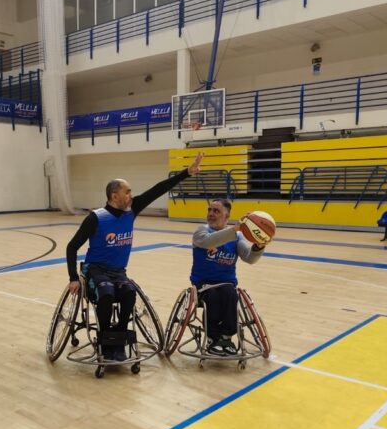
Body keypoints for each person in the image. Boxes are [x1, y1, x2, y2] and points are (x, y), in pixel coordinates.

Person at [66, 152, 203, 361]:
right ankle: (105, 340)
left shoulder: (132, 210)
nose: (131, 195)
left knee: (130, 293)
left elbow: (158, 189)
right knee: (107, 293)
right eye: (127, 192)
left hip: (118, 272)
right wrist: (73, 278)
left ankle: (118, 339)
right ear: (114, 196)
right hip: (95, 270)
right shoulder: (96, 218)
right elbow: (72, 247)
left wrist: (186, 173)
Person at [190, 199, 268, 355]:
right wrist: (235, 229)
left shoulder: (237, 237)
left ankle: (226, 337)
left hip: (226, 284)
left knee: (231, 294)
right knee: (212, 296)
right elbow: (209, 242)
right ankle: (212, 338)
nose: (211, 213)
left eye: (216, 211)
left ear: (227, 216)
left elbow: (249, 258)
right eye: (210, 210)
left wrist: (258, 246)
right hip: (204, 285)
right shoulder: (201, 232)